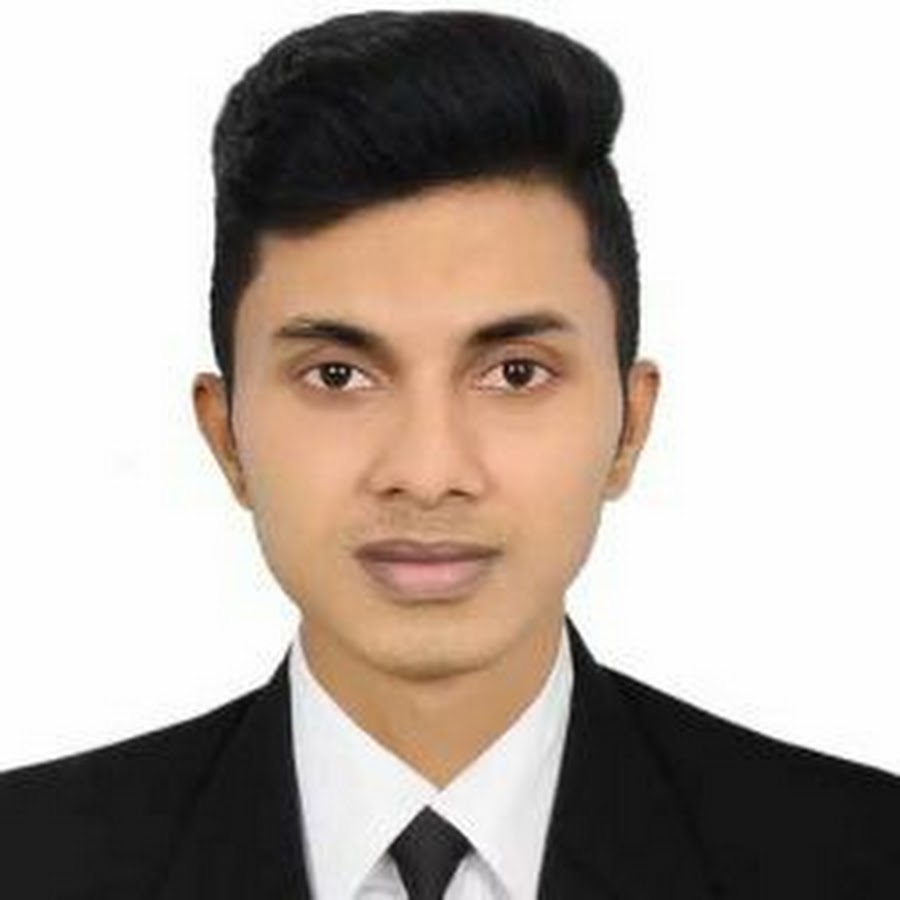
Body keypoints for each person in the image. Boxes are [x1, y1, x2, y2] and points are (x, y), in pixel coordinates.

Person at [1, 9, 898, 899]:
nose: (428, 474)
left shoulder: (861, 856)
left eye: (515, 373)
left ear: (630, 425)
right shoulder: (29, 858)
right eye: (339, 375)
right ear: (226, 435)